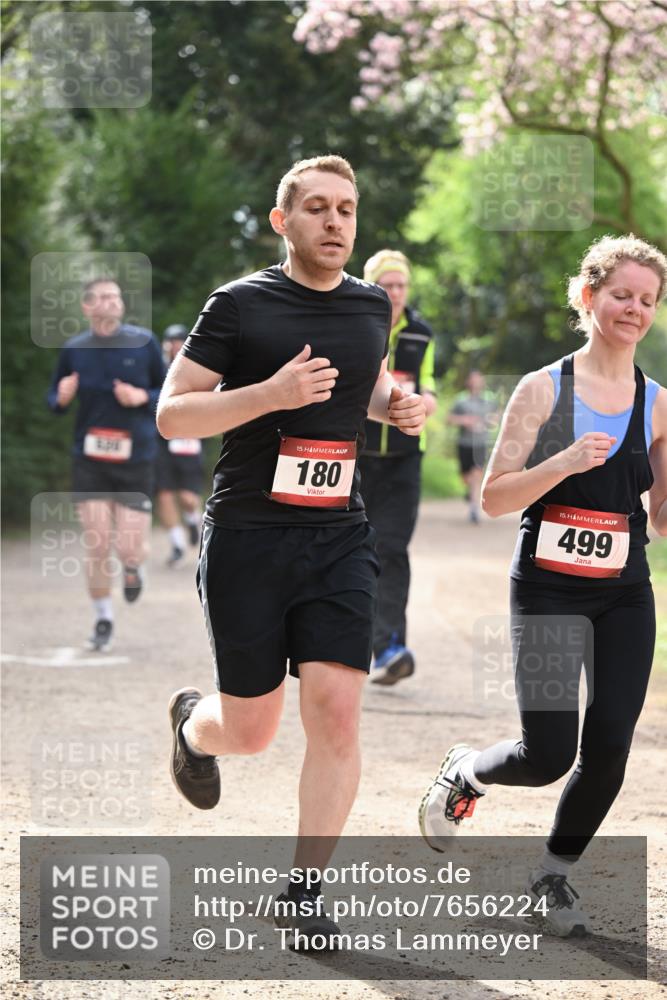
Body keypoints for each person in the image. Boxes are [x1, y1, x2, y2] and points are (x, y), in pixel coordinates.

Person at [157, 155, 426, 944]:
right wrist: (270, 395)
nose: (334, 222)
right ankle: (188, 726)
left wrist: (394, 404)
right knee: (251, 732)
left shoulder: (371, 304)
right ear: (283, 221)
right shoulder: (239, 306)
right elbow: (175, 414)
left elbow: (365, 381)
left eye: (345, 209)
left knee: (338, 712)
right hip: (247, 535)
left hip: (338, 533)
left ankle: (305, 891)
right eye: (316, 208)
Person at [419, 235, 667, 937]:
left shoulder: (657, 404)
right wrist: (559, 461)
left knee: (611, 743)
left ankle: (552, 875)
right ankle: (467, 769)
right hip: (547, 588)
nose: (633, 309)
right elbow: (495, 497)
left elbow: (663, 518)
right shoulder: (541, 389)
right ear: (586, 297)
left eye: (646, 300)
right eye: (620, 294)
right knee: (546, 753)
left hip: (623, 589)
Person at [47, 278, 166, 651]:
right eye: (100, 297)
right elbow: (54, 398)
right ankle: (103, 618)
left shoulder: (144, 343)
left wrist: (140, 397)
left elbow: (168, 394)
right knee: (97, 543)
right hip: (90, 458)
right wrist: (61, 397)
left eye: (114, 296)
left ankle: (132, 569)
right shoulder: (74, 348)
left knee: (129, 549)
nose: (109, 302)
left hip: (136, 457)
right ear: (86, 307)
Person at [358, 249, 437, 685]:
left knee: (392, 548)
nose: (395, 293)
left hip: (405, 459)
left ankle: (389, 648)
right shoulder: (355, 324)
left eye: (401, 285)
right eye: (387, 285)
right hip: (357, 456)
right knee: (352, 550)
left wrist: (422, 403)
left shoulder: (422, 334)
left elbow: (431, 389)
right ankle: (343, 644)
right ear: (373, 287)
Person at [154, 324, 204, 566]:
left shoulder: (199, 366)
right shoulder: (158, 369)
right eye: (170, 341)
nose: (173, 345)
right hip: (162, 441)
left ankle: (193, 518)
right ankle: (177, 544)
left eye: (178, 341)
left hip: (187, 439)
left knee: (187, 497)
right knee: (163, 493)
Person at [448, 370, 498, 524]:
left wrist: (489, 422)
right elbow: (449, 419)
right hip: (464, 443)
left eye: (479, 379)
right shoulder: (461, 399)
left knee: (477, 473)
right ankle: (470, 492)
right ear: (468, 382)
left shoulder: (489, 399)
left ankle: (474, 509)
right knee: (465, 476)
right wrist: (464, 420)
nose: (476, 382)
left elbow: (496, 417)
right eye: (473, 379)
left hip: (481, 443)